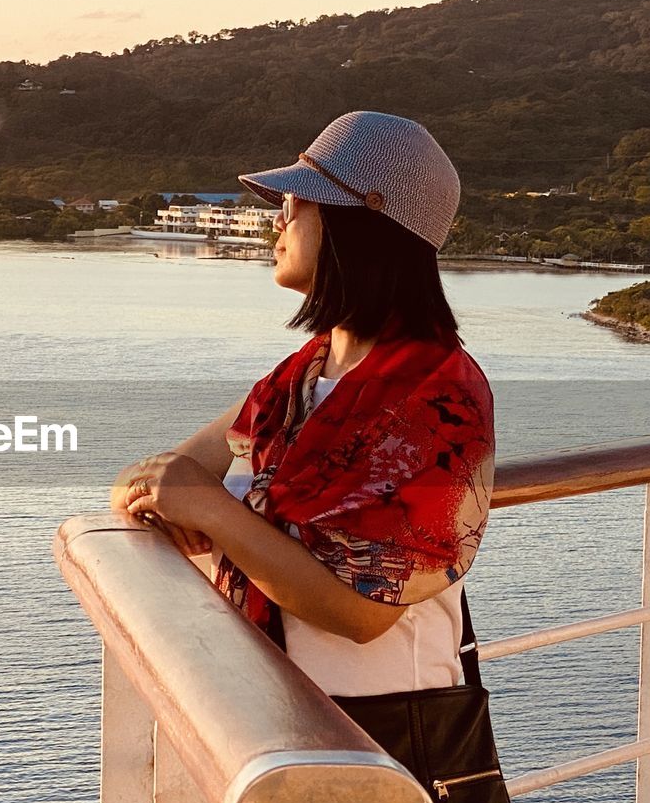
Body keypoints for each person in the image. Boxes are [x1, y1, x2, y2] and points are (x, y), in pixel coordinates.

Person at [110, 108, 495, 700]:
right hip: (267, 705)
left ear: (360, 223)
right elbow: (151, 480)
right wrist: (172, 501)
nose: (278, 220)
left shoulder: (438, 398)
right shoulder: (302, 379)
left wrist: (211, 512)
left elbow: (363, 613)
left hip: (378, 728)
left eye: (297, 202)